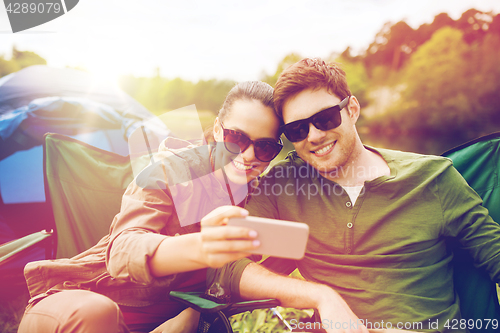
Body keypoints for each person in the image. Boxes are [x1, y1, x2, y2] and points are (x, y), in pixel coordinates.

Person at [221, 58, 500, 333]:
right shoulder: (284, 182)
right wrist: (321, 297)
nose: (315, 135)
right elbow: (225, 264)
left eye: (325, 118)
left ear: (352, 109)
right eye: (297, 129)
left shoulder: (433, 178)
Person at [18, 81, 287, 333]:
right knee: (96, 312)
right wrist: (203, 247)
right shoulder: (169, 170)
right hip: (80, 301)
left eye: (264, 147)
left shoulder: (258, 198)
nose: (249, 155)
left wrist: (192, 314)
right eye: (236, 138)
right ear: (217, 129)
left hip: (156, 322)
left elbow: (238, 275)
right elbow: (122, 250)